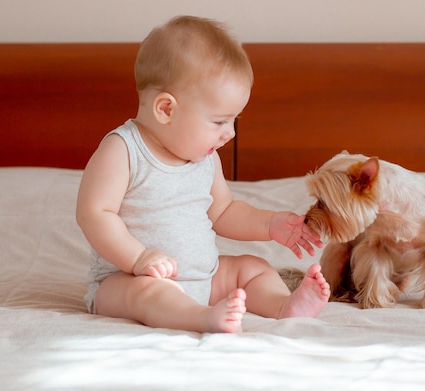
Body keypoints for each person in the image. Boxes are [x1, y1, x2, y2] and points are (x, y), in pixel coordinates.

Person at [76, 15, 330, 333]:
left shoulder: (205, 159)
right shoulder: (123, 150)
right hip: (127, 280)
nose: (230, 134)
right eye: (219, 121)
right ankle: (200, 318)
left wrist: (270, 224)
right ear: (166, 109)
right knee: (147, 293)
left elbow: (223, 211)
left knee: (252, 267)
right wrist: (139, 258)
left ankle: (284, 306)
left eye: (233, 120)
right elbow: (94, 214)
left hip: (205, 278)